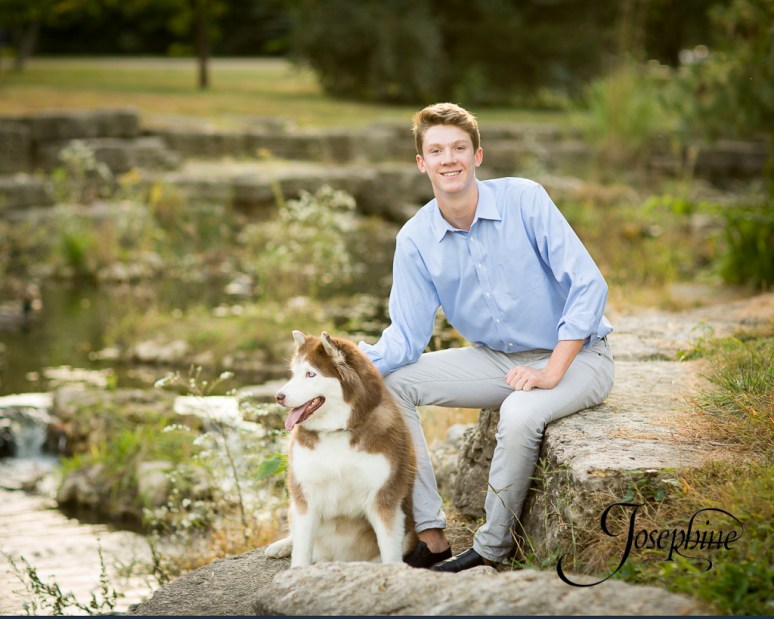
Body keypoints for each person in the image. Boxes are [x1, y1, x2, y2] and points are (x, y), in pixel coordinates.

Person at [358, 102, 614, 572]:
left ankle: (490, 551)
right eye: (436, 150)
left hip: (580, 359)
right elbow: (406, 339)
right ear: (422, 163)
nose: (448, 159)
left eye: (459, 148)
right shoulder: (415, 239)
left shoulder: (525, 199)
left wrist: (551, 371)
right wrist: (351, 367)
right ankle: (431, 536)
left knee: (519, 411)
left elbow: (588, 284)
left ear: (478, 155)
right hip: (497, 360)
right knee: (393, 386)